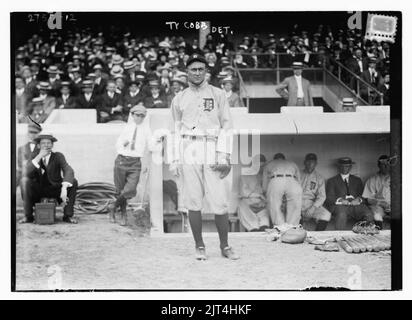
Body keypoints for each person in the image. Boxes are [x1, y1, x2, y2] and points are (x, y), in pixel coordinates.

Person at [169, 54, 239, 260]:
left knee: (219, 200)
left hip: (212, 145)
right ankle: (199, 245)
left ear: (206, 71)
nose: (197, 73)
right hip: (188, 146)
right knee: (193, 200)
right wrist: (174, 158)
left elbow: (227, 125)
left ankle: (225, 246)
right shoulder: (179, 98)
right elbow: (174, 130)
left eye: (201, 69)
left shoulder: (218, 95)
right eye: (193, 69)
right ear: (187, 72)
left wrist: (224, 155)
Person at [109, 104, 157, 226]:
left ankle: (113, 206)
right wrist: (122, 144)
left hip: (135, 163)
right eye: (137, 115)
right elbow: (117, 144)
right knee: (120, 190)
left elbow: (151, 145)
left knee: (130, 189)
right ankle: (123, 214)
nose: (139, 118)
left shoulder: (147, 130)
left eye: (142, 116)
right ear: (132, 115)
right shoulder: (127, 128)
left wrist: (159, 140)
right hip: (121, 160)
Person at [20, 133, 78, 224]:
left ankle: (68, 216)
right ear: (38, 145)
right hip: (38, 190)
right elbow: (26, 173)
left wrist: (64, 187)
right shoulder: (34, 156)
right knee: (24, 181)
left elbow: (68, 169)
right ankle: (28, 216)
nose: (46, 145)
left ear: (52, 145)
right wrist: (39, 157)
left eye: (49, 143)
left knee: (73, 181)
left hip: (55, 189)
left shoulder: (58, 156)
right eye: (43, 143)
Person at [325, 157, 373, 230]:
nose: (344, 168)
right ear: (339, 167)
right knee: (341, 215)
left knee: (368, 214)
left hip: (355, 206)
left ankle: (363, 236)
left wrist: (358, 200)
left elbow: (363, 196)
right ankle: (339, 237)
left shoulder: (357, 180)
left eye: (347, 166)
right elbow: (329, 198)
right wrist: (340, 200)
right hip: (340, 206)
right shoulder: (332, 181)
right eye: (342, 166)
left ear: (350, 167)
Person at [263, 153, 302, 227]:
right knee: (294, 207)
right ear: (284, 159)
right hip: (292, 180)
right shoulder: (292, 163)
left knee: (274, 205)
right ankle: (292, 227)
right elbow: (299, 180)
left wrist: (266, 192)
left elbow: (265, 186)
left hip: (276, 180)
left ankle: (279, 227)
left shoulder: (270, 164)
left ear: (274, 159)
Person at [238, 154, 270, 232]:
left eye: (262, 166)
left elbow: (266, 191)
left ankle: (263, 227)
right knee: (243, 208)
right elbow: (243, 192)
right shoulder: (245, 175)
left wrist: (263, 199)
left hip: (261, 203)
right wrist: (258, 195)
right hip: (248, 202)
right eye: (259, 166)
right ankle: (253, 229)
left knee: (265, 213)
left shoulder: (263, 176)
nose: (260, 168)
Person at [300, 153, 331, 231]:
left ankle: (317, 235)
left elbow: (322, 196)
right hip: (296, 203)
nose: (310, 164)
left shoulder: (319, 178)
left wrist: (313, 208)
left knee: (326, 214)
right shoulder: (297, 174)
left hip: (310, 203)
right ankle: (299, 231)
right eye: (308, 162)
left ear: (316, 164)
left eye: (313, 162)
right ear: (304, 162)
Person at [362, 155, 391, 230]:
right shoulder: (372, 180)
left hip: (395, 206)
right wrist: (381, 203)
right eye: (383, 164)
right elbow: (368, 199)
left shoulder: (398, 178)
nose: (386, 166)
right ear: (378, 166)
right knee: (377, 214)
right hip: (379, 206)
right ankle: (379, 234)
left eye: (388, 164)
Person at [17, 123, 42, 197]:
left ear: (39, 134)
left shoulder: (43, 148)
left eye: (35, 133)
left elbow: (42, 166)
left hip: (38, 179)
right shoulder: (21, 149)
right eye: (31, 132)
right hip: (26, 177)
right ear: (28, 133)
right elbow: (21, 165)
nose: (33, 135)